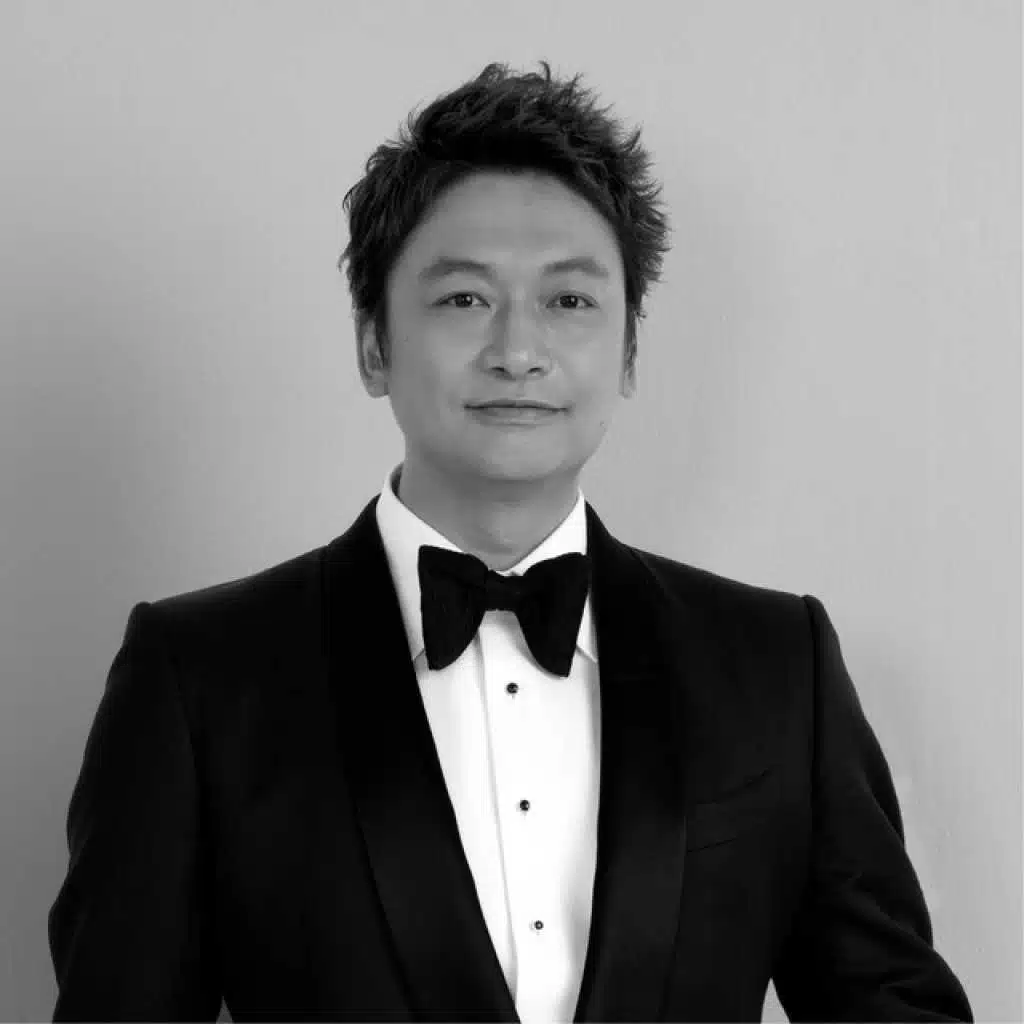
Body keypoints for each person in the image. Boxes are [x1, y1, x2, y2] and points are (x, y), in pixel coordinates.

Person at [48, 60, 972, 1022]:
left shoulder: (778, 668)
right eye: (464, 299)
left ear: (629, 350)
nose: (518, 352)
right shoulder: (199, 677)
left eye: (569, 301)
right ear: (373, 343)